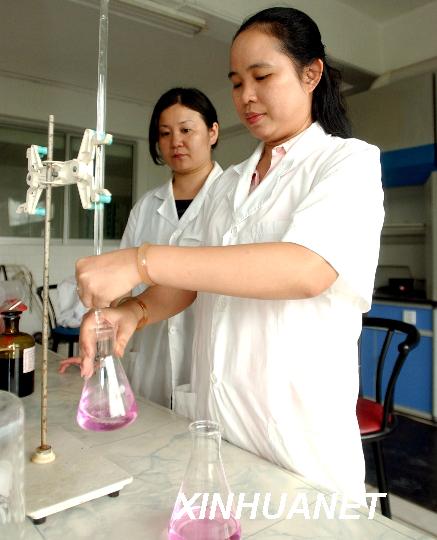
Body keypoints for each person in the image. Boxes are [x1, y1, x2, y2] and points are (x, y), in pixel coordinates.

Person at [75, 7, 384, 503]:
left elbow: (305, 268)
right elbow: (192, 277)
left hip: (297, 440)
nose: (246, 96)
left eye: (262, 77)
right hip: (218, 434)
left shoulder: (347, 163)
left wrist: (139, 260)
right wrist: (133, 311)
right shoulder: (229, 185)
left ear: (311, 74)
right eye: (237, 83)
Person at [60, 87, 221, 412]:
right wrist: (101, 346)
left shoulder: (232, 198)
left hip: (209, 354)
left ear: (212, 132)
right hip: (149, 353)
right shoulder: (147, 206)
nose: (176, 141)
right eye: (165, 133)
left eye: (186, 130)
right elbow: (122, 290)